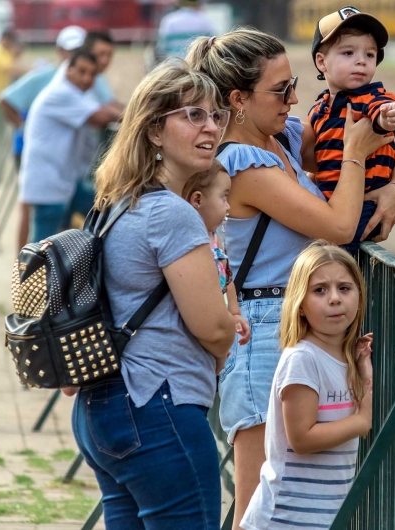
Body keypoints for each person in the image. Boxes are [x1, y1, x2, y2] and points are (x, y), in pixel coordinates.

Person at [186, 28, 395, 528]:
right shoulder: (241, 165)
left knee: (299, 500)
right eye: (281, 90)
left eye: (295, 87)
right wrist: (355, 149)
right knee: (260, 506)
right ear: (238, 100)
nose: (294, 100)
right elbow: (336, 223)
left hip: (294, 330)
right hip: (263, 333)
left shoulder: (283, 139)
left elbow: (366, 162)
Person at [69, 59, 236, 529]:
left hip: (102, 408)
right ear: (154, 132)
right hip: (157, 408)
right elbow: (212, 328)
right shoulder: (173, 214)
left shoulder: (116, 202)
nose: (211, 127)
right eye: (192, 115)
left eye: (216, 115)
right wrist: (229, 334)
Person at [241, 241, 374, 530]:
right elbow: (301, 439)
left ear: (360, 296)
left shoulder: (344, 358)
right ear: (300, 306)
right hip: (284, 518)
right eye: (320, 290)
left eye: (345, 288)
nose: (335, 299)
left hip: (318, 516)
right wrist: (361, 421)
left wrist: (364, 373)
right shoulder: (302, 358)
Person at [309, 6, 395, 253]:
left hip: (365, 201)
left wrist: (388, 117)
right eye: (348, 52)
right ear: (322, 61)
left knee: (338, 252)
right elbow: (317, 157)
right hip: (329, 202)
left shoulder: (370, 97)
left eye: (370, 55)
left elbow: (382, 112)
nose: (361, 61)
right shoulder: (319, 109)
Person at [0, 25, 87, 250]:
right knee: (29, 210)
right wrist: (23, 127)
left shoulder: (85, 79)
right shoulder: (44, 78)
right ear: (60, 51)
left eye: (79, 49)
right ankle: (22, 266)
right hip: (29, 150)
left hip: (60, 158)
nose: (74, 55)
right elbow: (4, 99)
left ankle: (52, 266)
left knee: (57, 215)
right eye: (70, 50)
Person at [17, 50, 120, 243]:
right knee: (42, 251)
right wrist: (139, 117)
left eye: (92, 74)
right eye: (81, 71)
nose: (87, 78)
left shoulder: (78, 95)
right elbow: (100, 117)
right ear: (68, 70)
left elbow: (105, 109)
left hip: (66, 180)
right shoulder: (62, 93)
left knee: (109, 210)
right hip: (50, 183)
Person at [181, 159, 252, 369]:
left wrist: (235, 313)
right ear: (197, 200)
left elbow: (227, 276)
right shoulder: (187, 240)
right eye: (224, 197)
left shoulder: (214, 239)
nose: (228, 206)